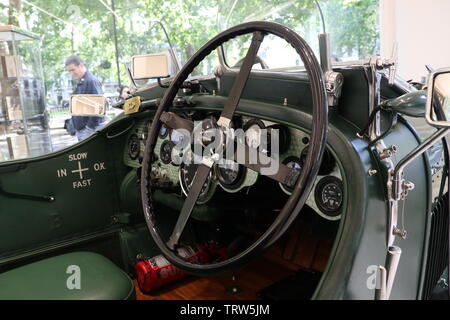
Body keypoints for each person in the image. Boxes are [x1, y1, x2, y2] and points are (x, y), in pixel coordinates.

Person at [65, 55, 105, 141]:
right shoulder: (82, 81)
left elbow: (98, 107)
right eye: (69, 71)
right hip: (84, 130)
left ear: (81, 65)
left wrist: (89, 128)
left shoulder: (90, 81)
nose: (71, 73)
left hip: (90, 130)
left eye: (73, 70)